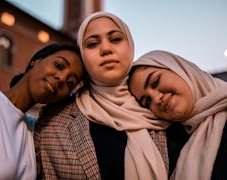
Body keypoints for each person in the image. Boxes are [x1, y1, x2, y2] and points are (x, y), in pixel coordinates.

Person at [34, 12, 189, 180]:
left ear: (130, 45)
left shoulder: (160, 101)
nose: (106, 49)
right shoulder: (54, 119)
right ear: (82, 56)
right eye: (92, 44)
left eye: (115, 39)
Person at [0, 43, 84, 180]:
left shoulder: (36, 132)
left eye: (70, 83)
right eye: (59, 65)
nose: (62, 79)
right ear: (35, 61)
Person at [128, 50, 227, 180]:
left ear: (179, 68)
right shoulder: (174, 150)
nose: (156, 99)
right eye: (147, 102)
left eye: (156, 82)